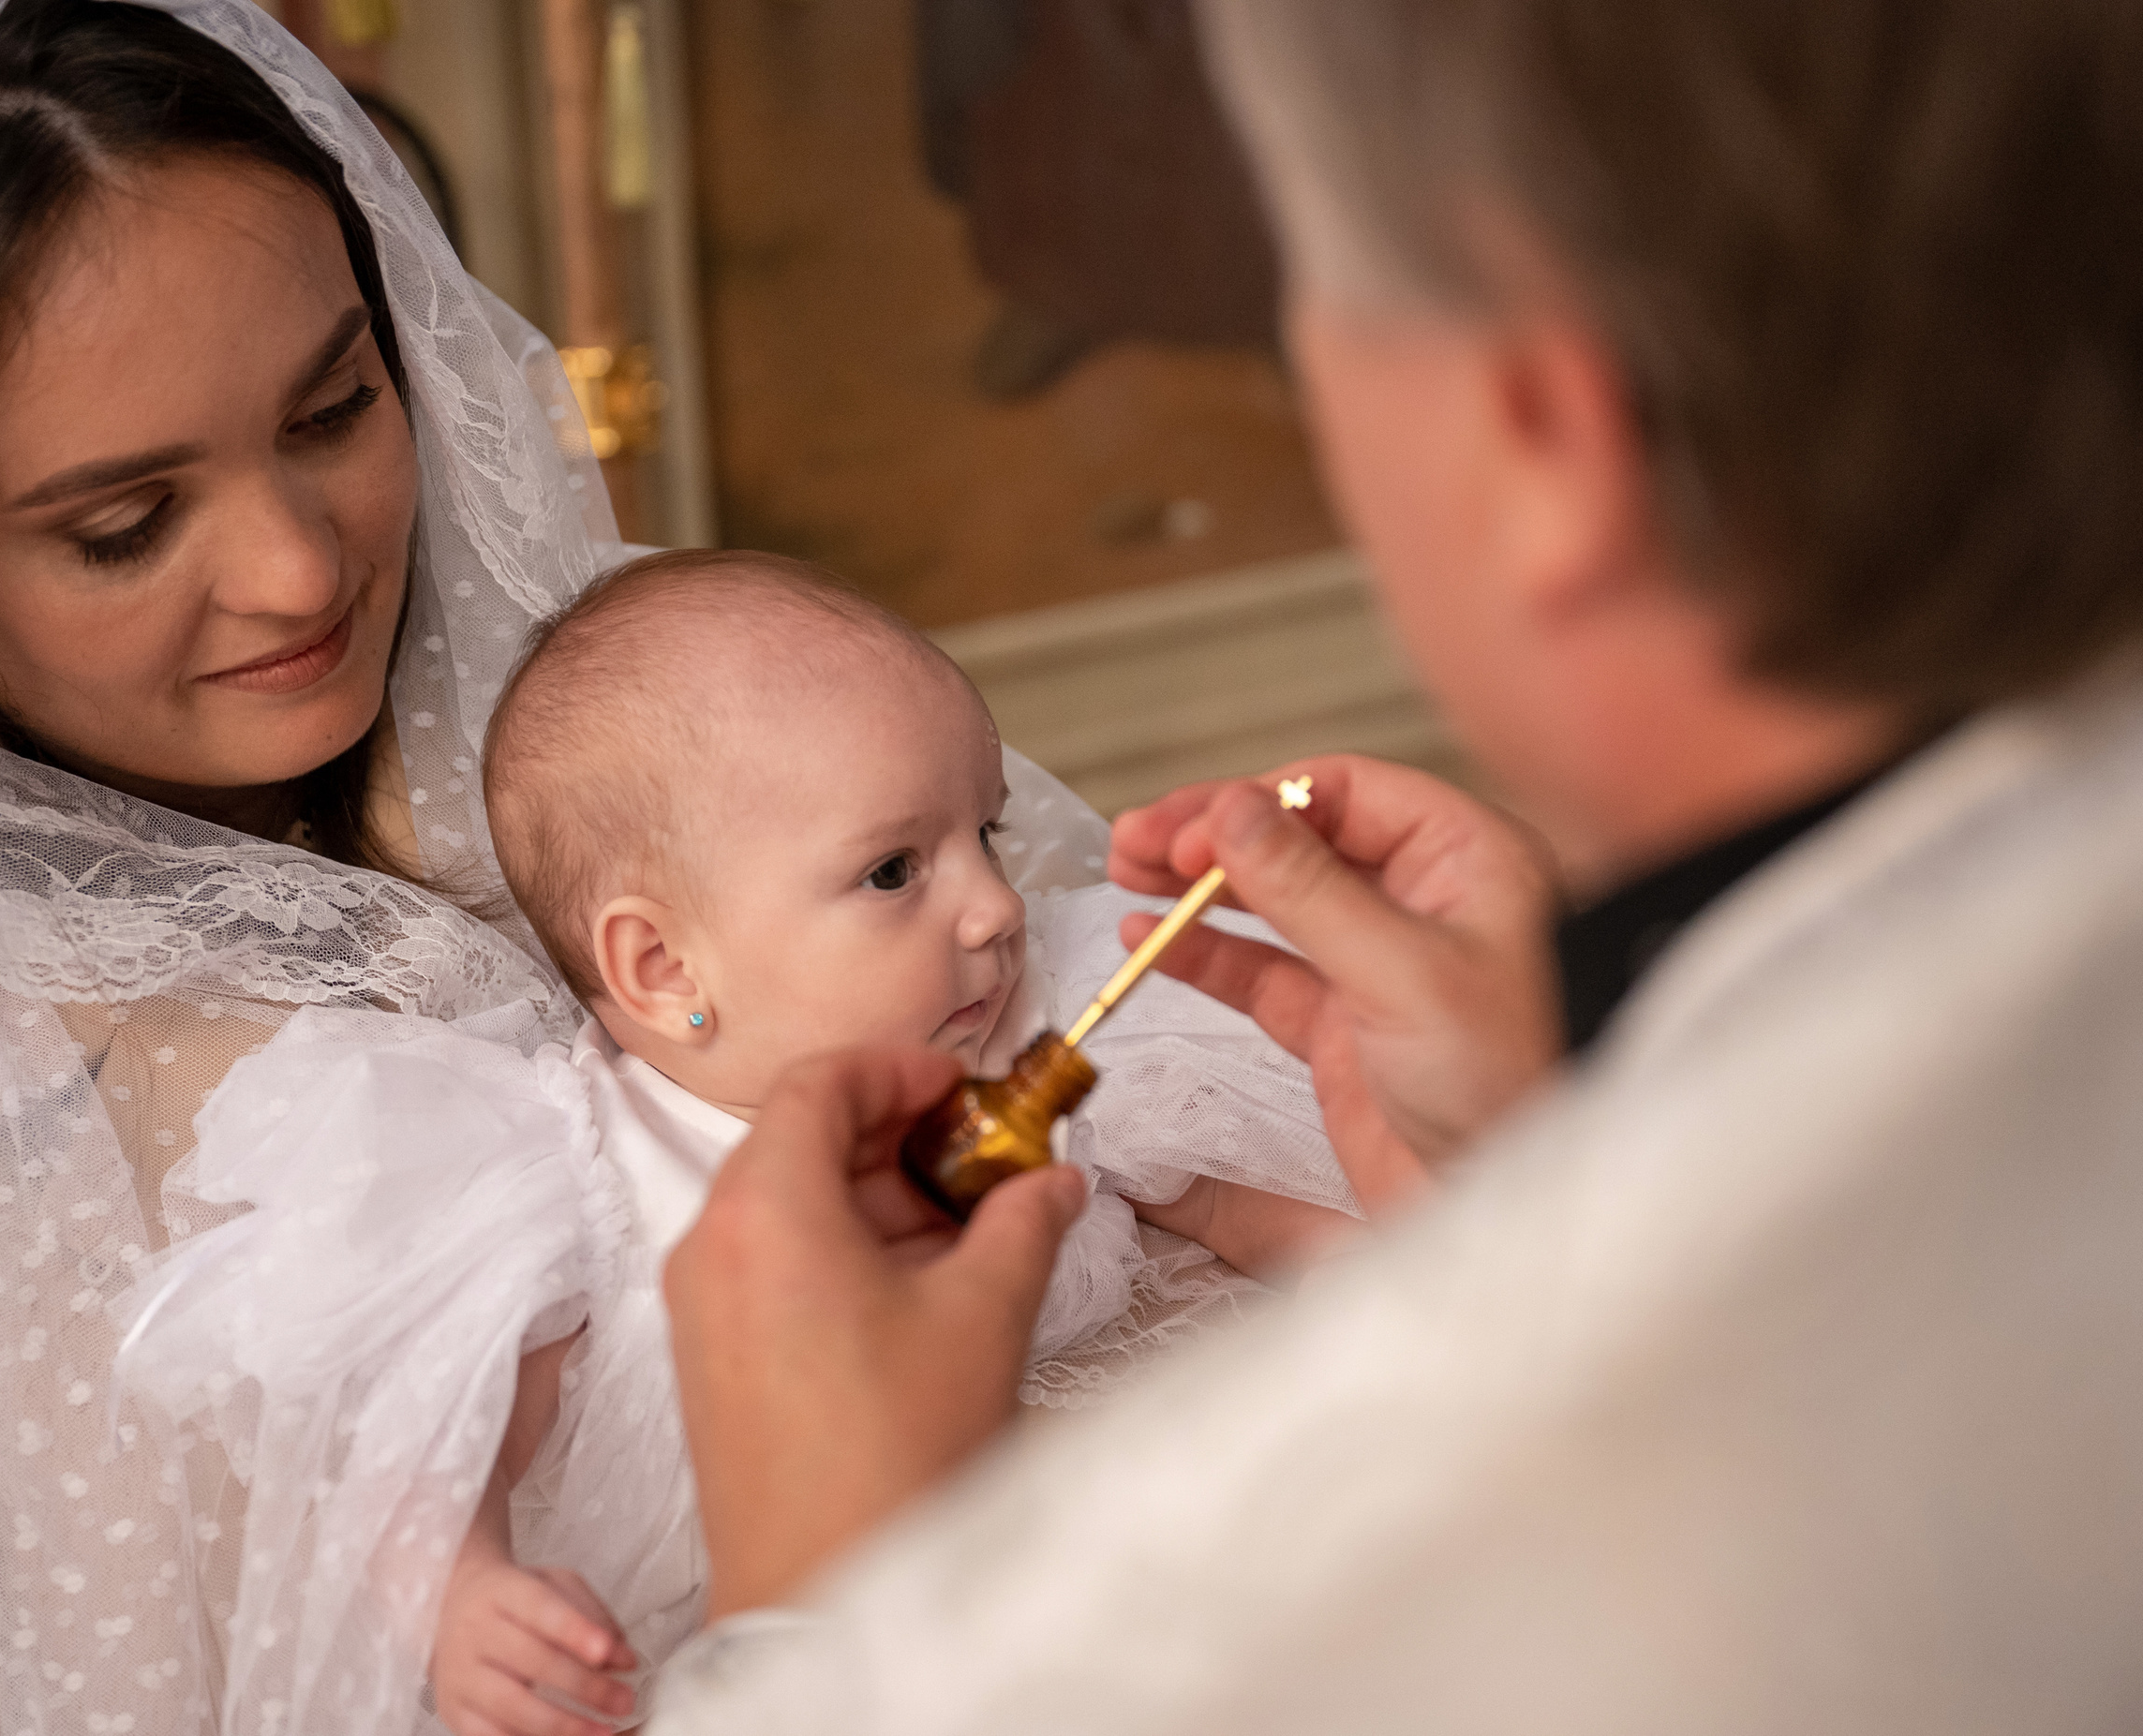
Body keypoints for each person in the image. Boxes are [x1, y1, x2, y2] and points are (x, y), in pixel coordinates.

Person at [642, 1, 2143, 1730]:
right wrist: (1551, 1130)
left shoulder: (1200, 1634)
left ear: (1542, 437)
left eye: (1311, 297)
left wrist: (833, 1617)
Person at [0, 6, 1135, 1733]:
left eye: (337, 406)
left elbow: (1085, 1007)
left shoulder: (643, 695)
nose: (297, 568)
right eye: (124, 526)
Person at [112, 549, 1350, 1736]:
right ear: (662, 968)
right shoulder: (579, 1184)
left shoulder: (1044, 1031)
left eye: (989, 830)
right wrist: (461, 1593)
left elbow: (1244, 1203)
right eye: (891, 871)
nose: (995, 905)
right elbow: (431, 1434)